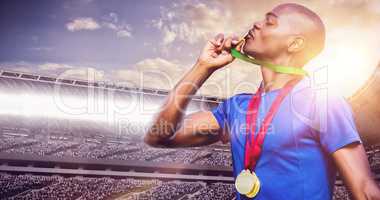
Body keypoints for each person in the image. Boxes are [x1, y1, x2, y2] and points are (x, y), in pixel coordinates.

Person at [144, 3, 380, 200]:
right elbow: (159, 136)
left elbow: (365, 190)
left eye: (270, 22)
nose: (256, 23)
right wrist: (202, 67)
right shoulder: (235, 107)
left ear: (295, 44)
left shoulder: (323, 102)